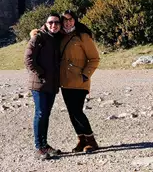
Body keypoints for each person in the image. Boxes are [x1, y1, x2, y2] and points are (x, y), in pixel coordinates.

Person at [59, 9, 101, 153]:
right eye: (65, 20)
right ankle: (81, 139)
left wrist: (85, 75)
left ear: (75, 20)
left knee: (77, 111)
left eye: (70, 19)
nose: (68, 22)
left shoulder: (82, 36)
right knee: (71, 112)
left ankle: (91, 140)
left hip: (79, 81)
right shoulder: (61, 36)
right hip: (64, 81)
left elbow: (94, 59)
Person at [24, 13, 63, 160]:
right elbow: (28, 59)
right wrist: (40, 73)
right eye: (51, 22)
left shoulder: (56, 38)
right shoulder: (38, 37)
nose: (54, 25)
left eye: (57, 23)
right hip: (39, 84)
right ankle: (38, 147)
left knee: (46, 114)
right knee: (40, 114)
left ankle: (44, 145)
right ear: (45, 24)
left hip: (51, 84)